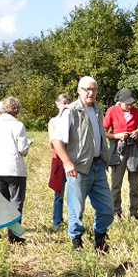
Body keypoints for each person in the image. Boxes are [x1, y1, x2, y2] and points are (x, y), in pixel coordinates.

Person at [50, 76, 116, 252]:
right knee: (76, 209)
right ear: (78, 90)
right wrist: (67, 162)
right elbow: (56, 140)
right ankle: (77, 243)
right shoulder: (70, 111)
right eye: (86, 89)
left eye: (93, 89)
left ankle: (99, 239)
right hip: (78, 168)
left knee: (107, 208)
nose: (90, 93)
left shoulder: (97, 110)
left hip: (98, 165)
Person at [0, 96, 31, 244]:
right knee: (15, 202)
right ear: (17, 110)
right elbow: (23, 149)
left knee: (0, 201)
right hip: (14, 169)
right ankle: (13, 235)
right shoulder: (18, 125)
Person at [103, 88, 138, 220]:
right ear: (120, 101)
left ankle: (134, 211)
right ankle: (115, 211)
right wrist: (116, 136)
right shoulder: (112, 111)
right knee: (116, 183)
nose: (130, 106)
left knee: (135, 183)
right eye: (127, 104)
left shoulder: (136, 112)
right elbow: (103, 132)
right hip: (118, 149)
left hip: (133, 149)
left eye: (132, 103)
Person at [47, 94, 72, 232]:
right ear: (57, 104)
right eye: (63, 102)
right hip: (58, 158)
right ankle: (57, 221)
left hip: (73, 157)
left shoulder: (72, 118)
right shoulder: (54, 121)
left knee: (74, 192)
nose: (66, 105)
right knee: (59, 192)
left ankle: (73, 221)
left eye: (68, 102)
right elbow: (52, 142)